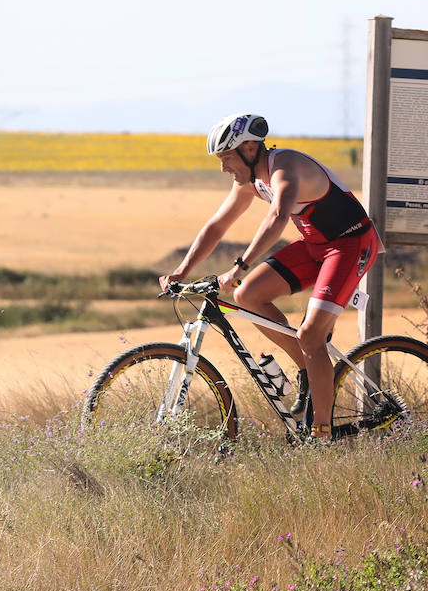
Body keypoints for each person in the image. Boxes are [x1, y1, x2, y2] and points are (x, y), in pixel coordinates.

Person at [160, 113, 380, 440]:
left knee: (310, 335)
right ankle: (308, 371)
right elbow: (217, 226)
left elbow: (277, 217)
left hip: (350, 244)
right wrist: (181, 271)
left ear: (250, 148)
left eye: (226, 158)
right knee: (247, 296)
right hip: (315, 245)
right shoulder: (252, 179)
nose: (223, 168)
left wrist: (238, 268)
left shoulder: (285, 167)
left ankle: (321, 436)